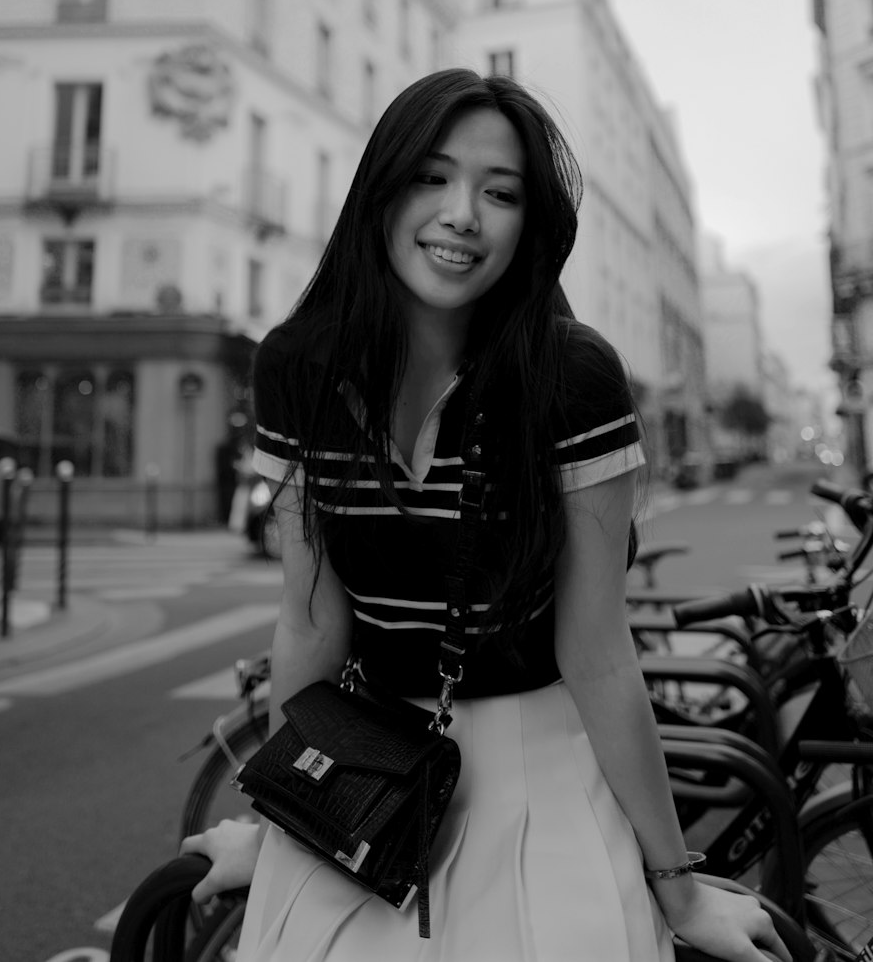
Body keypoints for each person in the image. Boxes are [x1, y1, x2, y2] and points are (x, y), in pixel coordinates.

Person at [182, 69, 790, 962]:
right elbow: (312, 622)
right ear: (379, 190)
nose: (461, 213)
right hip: (369, 777)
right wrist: (283, 823)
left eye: (499, 193)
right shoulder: (299, 367)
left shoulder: (572, 377)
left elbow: (598, 655)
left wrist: (680, 889)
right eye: (431, 177)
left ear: (529, 224)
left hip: (538, 772)